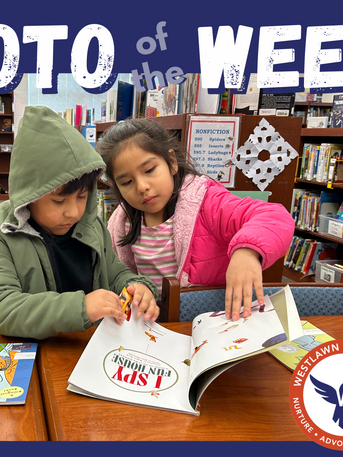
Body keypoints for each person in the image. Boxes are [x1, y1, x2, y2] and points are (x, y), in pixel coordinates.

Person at [0, 107, 159, 340]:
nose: (74, 212)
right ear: (29, 195)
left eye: (82, 197)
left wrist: (135, 286)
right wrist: (80, 307)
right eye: (59, 201)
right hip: (22, 353)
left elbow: (113, 273)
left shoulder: (92, 225)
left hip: (83, 349)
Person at [96, 118, 295, 321]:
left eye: (149, 170)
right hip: (152, 328)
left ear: (171, 162)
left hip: (211, 321)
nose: (142, 186)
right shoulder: (121, 223)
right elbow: (117, 276)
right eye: (127, 182)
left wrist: (247, 250)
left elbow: (275, 217)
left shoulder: (206, 203)